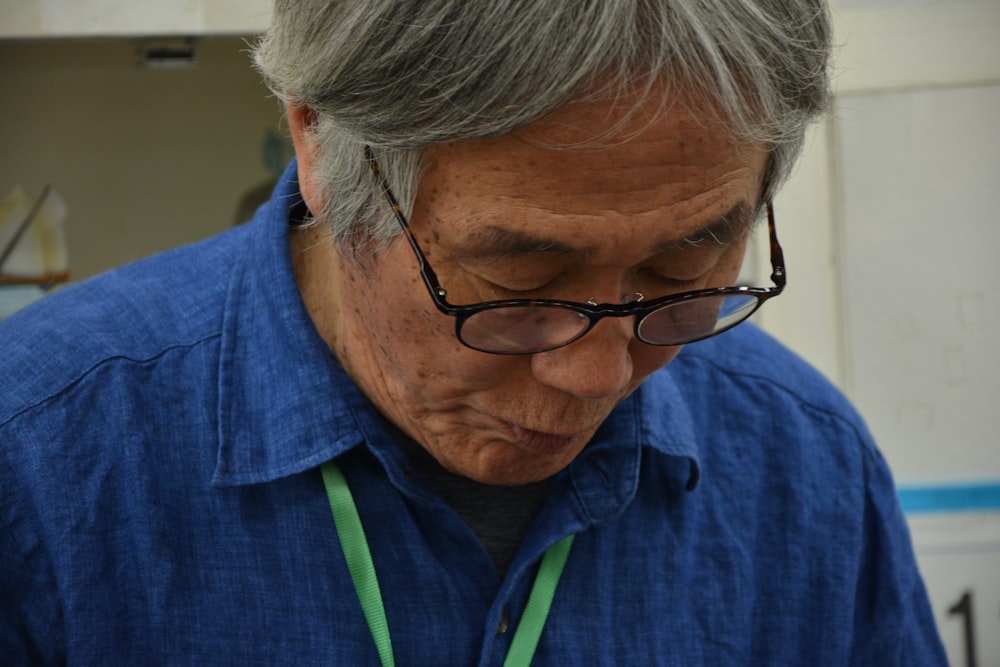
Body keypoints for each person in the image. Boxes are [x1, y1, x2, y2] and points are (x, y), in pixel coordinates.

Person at [0, 0, 947, 664]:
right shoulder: (41, 464)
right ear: (321, 147)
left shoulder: (806, 470)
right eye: (520, 286)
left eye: (679, 274)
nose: (595, 373)